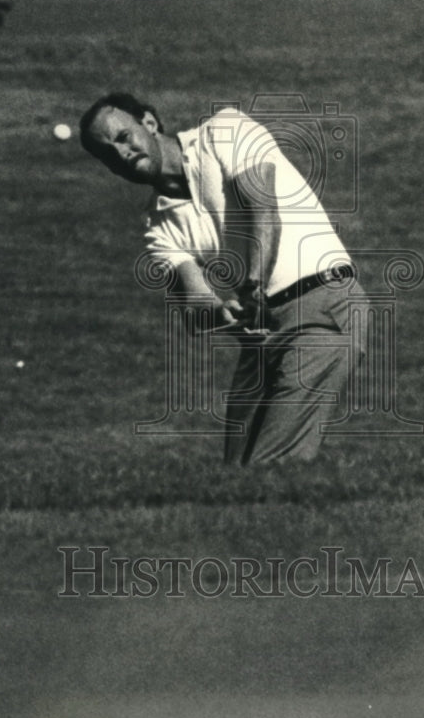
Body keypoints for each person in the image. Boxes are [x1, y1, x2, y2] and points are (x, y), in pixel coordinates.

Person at [79, 92, 369, 465]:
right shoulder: (158, 224)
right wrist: (222, 312)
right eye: (107, 154)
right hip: (261, 333)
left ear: (149, 123)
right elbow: (195, 305)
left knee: (274, 464)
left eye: (123, 138)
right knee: (235, 475)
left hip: (323, 307)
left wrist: (253, 283)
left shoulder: (224, 131)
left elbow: (263, 209)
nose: (121, 155)